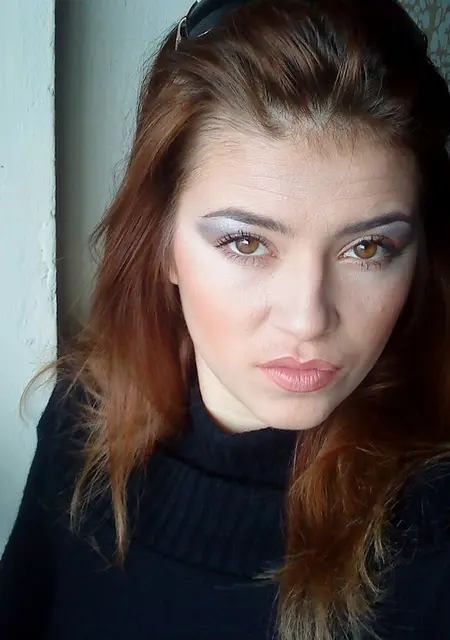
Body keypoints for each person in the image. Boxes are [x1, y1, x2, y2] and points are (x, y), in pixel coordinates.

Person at [1, 0, 450, 638]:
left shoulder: (431, 525)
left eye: (368, 248)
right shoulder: (83, 412)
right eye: (246, 242)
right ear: (160, 245)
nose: (307, 319)